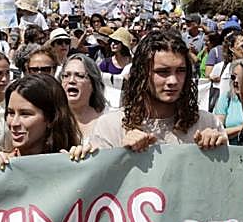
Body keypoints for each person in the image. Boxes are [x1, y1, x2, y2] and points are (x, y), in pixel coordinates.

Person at [91, 31, 226, 153]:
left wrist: (218, 150)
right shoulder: (111, 127)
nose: (173, 80)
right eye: (162, 72)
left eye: (180, 71)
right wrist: (121, 155)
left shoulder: (208, 124)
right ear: (142, 74)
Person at [0, 74, 88, 169]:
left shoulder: (71, 163)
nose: (14, 123)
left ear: (51, 118)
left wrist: (83, 163)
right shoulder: (1, 166)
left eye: (25, 114)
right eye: (11, 113)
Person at [61, 54, 106, 140]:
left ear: (93, 84)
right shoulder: (52, 120)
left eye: (79, 76)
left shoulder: (108, 119)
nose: (71, 81)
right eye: (66, 75)